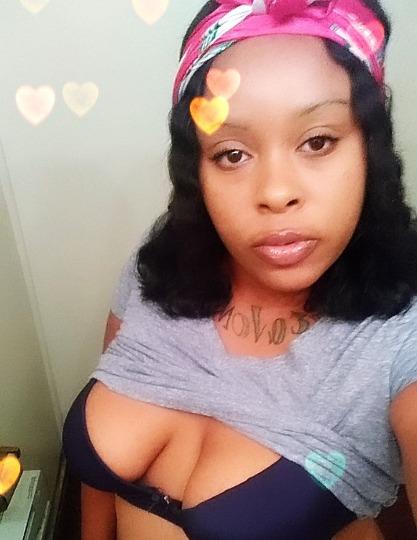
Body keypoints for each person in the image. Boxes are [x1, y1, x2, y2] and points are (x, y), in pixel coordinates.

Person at [62, 1, 417, 539]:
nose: (275, 192)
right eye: (232, 154)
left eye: (317, 141)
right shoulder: (161, 260)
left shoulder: (400, 332)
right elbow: (101, 472)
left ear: (370, 149)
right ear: (197, 168)